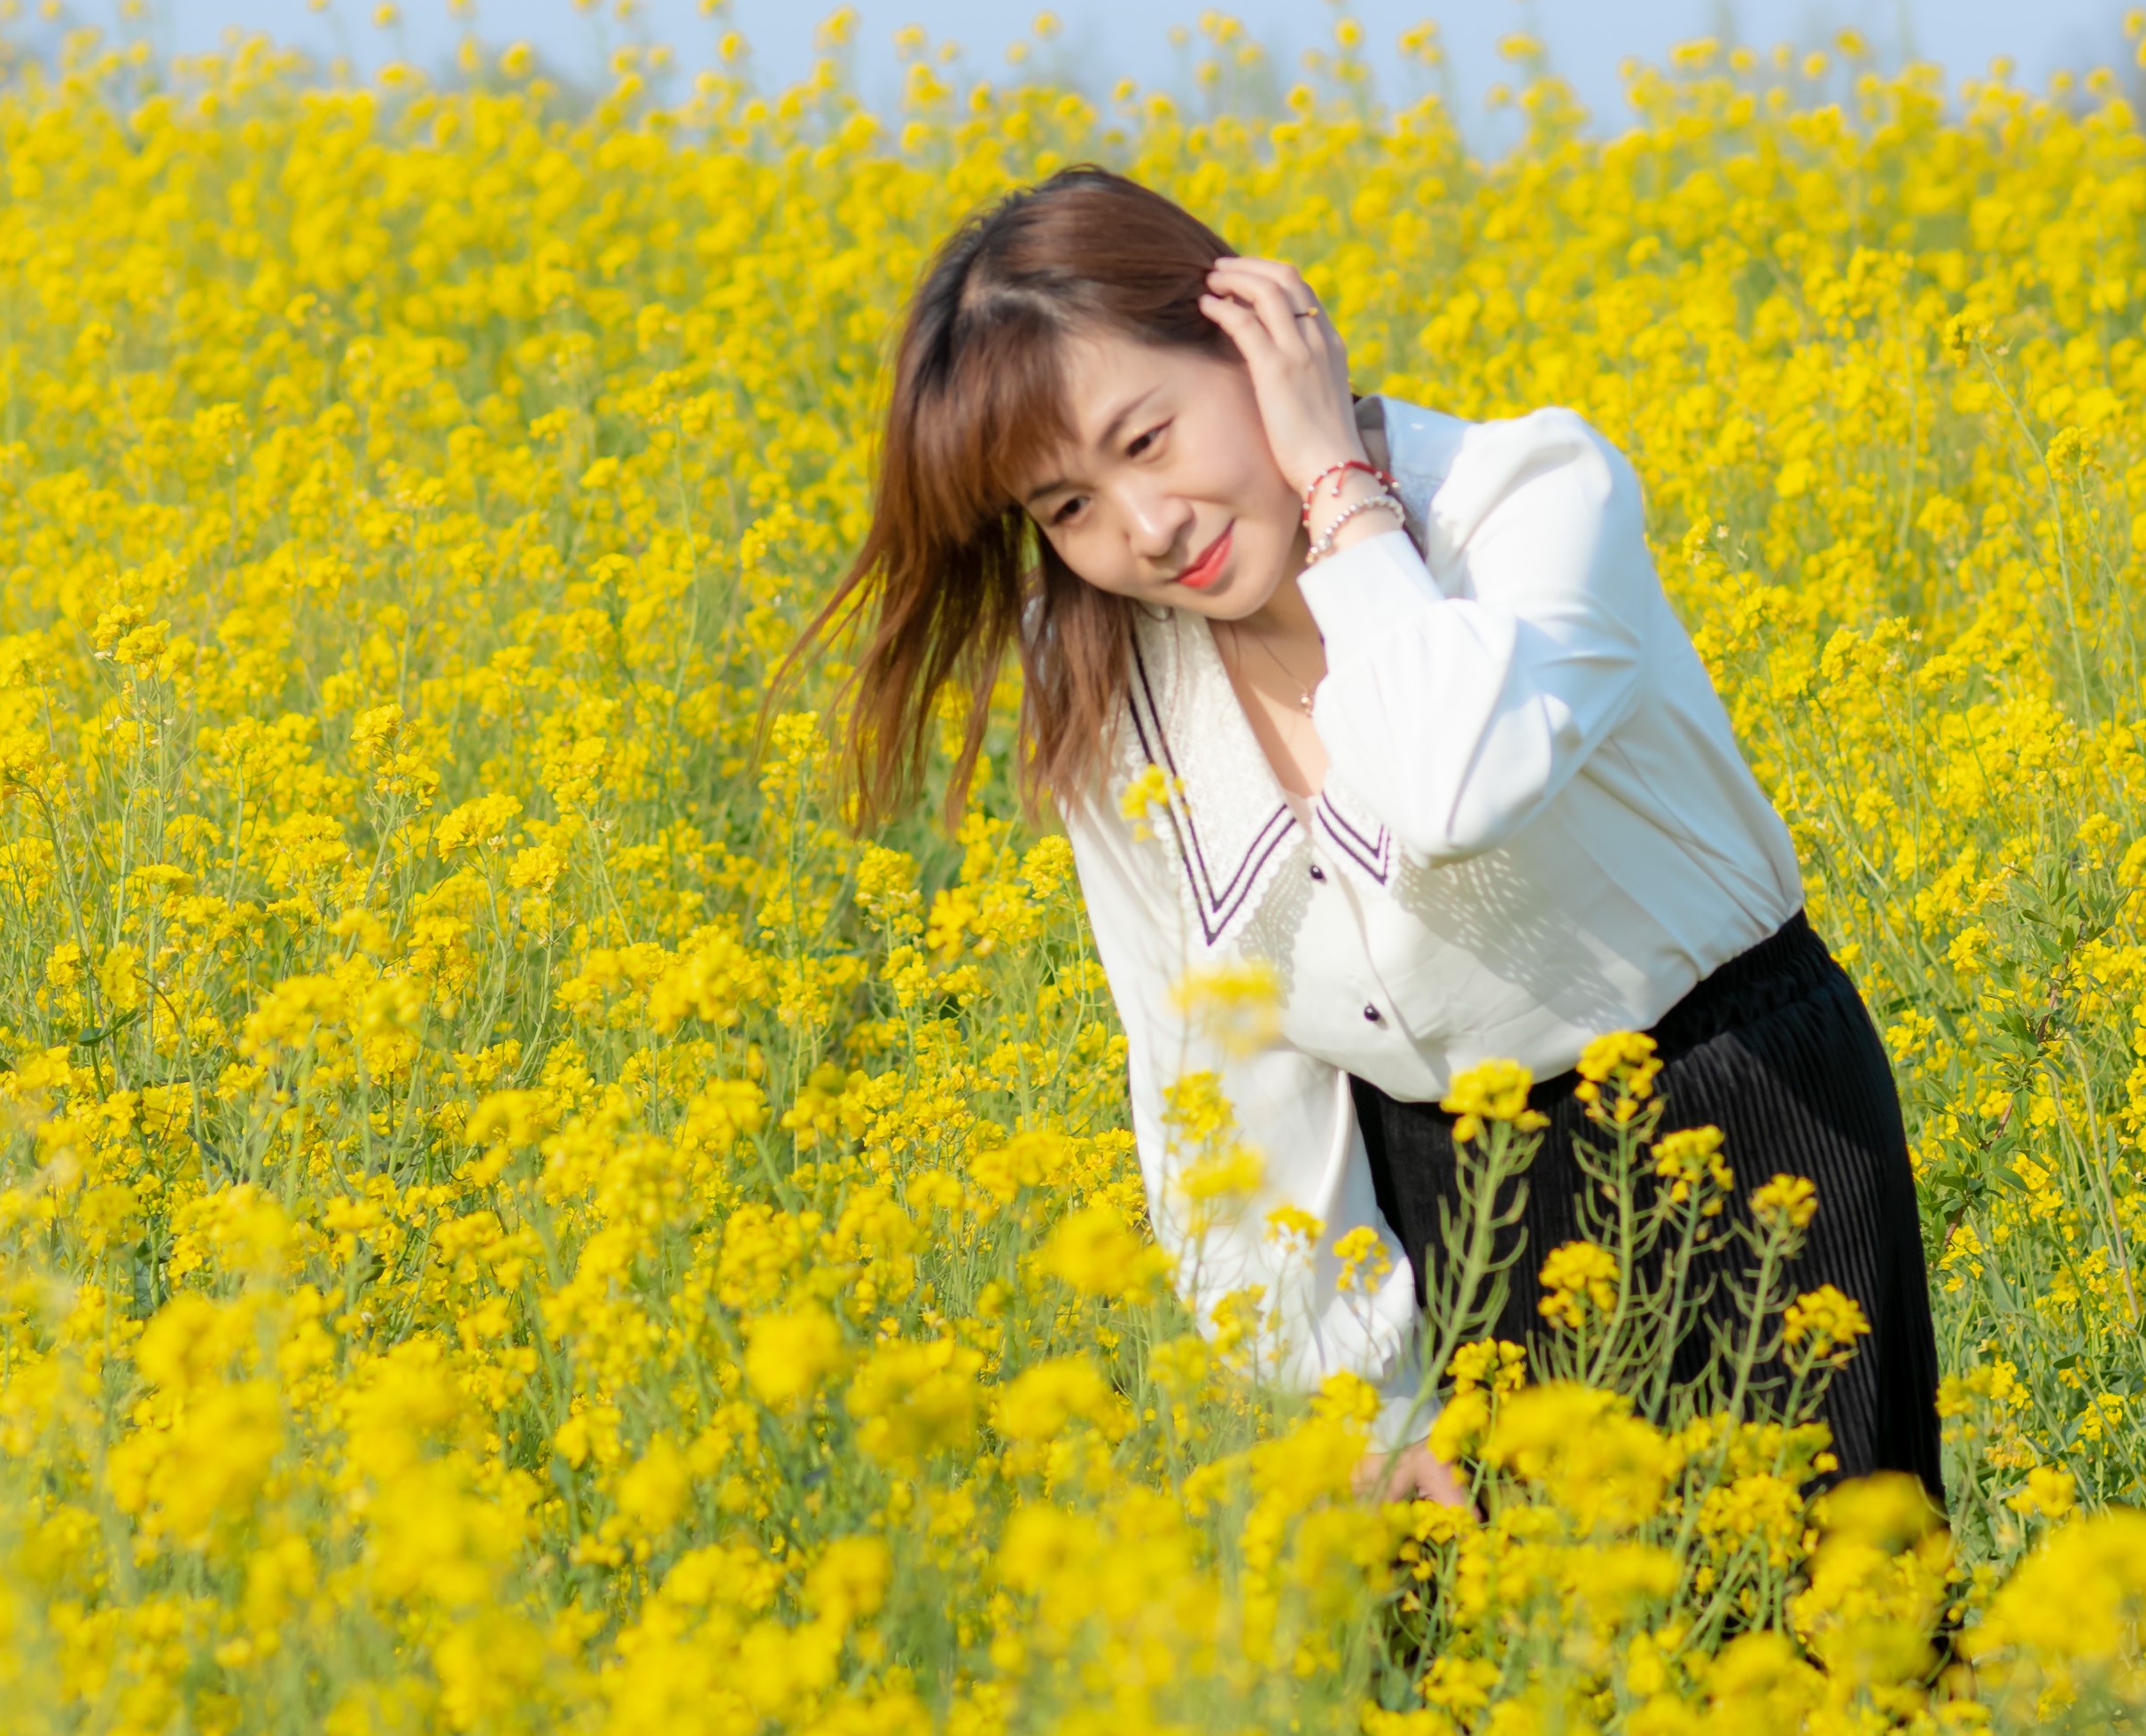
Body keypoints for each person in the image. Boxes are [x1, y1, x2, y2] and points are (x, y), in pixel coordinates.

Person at [825, 164, 1941, 1509]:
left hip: (1737, 1118)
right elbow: (1204, 1050)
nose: (1141, 527)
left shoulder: (1522, 495)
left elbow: (1452, 785)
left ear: (1250, 339)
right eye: (1065, 507)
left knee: (1833, 1671)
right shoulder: (1118, 698)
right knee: (1534, 1701)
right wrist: (1359, 1396)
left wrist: (1339, 491)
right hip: (1448, 1196)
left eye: (1146, 438)